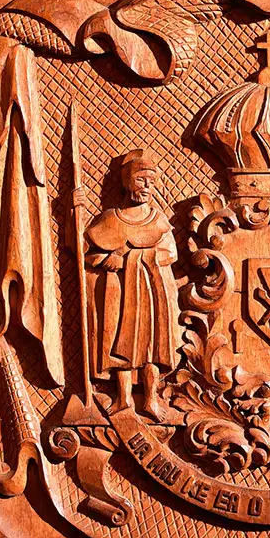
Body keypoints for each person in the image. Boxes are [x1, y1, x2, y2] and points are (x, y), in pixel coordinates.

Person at [79, 150, 178, 420]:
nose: (147, 187)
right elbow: (83, 253)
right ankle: (122, 399)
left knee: (150, 348)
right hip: (119, 295)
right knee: (120, 345)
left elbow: (170, 254)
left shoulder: (158, 221)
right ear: (126, 182)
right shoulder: (110, 219)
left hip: (151, 294)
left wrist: (130, 256)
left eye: (151, 181)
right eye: (141, 179)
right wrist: (71, 216)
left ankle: (151, 399)